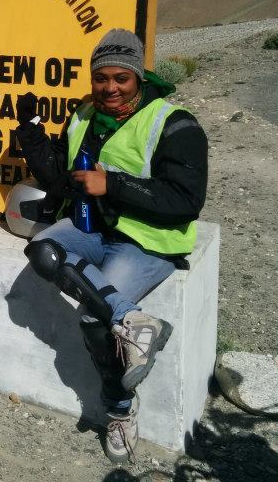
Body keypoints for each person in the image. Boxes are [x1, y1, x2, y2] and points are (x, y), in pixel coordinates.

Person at [14, 28, 208, 464]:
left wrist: (113, 184)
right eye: (102, 77)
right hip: (94, 230)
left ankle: (120, 409)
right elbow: (60, 178)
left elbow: (186, 201)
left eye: (122, 78)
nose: (110, 88)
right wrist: (29, 129)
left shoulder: (174, 124)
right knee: (43, 249)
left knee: (92, 319)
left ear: (138, 77)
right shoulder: (83, 116)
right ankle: (133, 320)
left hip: (146, 243)